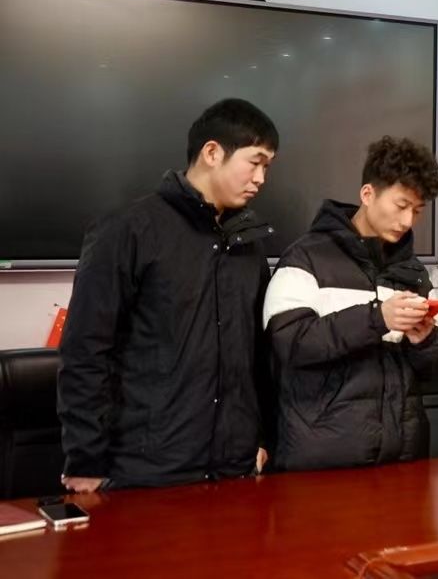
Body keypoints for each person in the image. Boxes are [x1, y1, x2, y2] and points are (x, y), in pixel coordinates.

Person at [59, 98, 279, 490]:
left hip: (235, 469)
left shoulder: (248, 244)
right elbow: (85, 351)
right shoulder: (129, 230)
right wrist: (85, 459)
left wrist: (259, 437)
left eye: (268, 167)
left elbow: (257, 355)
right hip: (148, 469)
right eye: (255, 162)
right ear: (212, 153)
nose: (261, 178)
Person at [262, 136, 438, 470]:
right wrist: (377, 319)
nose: (408, 221)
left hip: (403, 459)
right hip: (323, 462)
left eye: (418, 211)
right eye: (401, 205)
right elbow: (290, 344)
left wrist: (424, 341)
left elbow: (429, 370)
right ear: (368, 194)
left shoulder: (413, 273)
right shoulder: (305, 259)